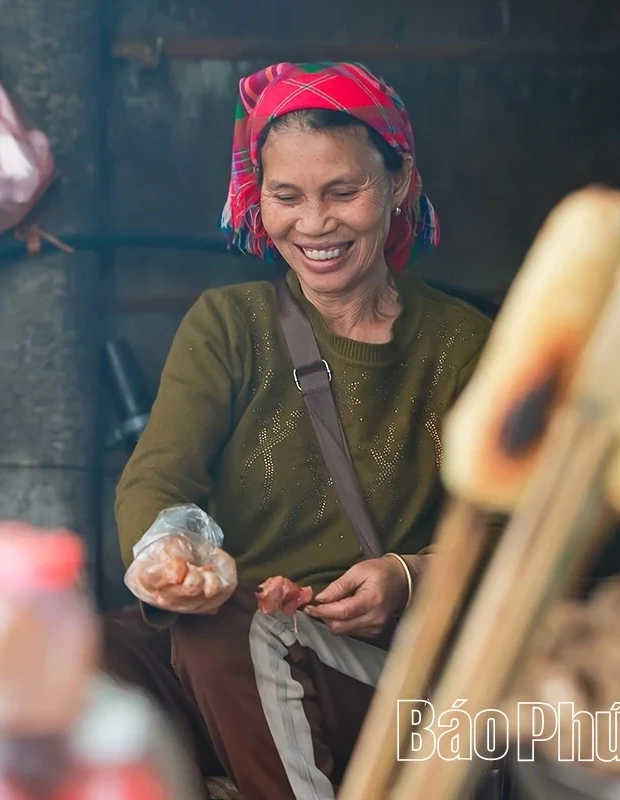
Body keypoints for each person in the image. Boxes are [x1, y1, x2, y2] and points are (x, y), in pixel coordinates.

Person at [104, 62, 493, 800]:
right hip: (228, 653)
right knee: (77, 653)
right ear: (261, 199)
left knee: (238, 635)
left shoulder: (461, 345)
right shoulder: (231, 326)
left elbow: (517, 527)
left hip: (380, 675)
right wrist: (168, 557)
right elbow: (159, 476)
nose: (314, 224)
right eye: (286, 196)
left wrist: (411, 577)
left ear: (399, 183)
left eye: (344, 191)